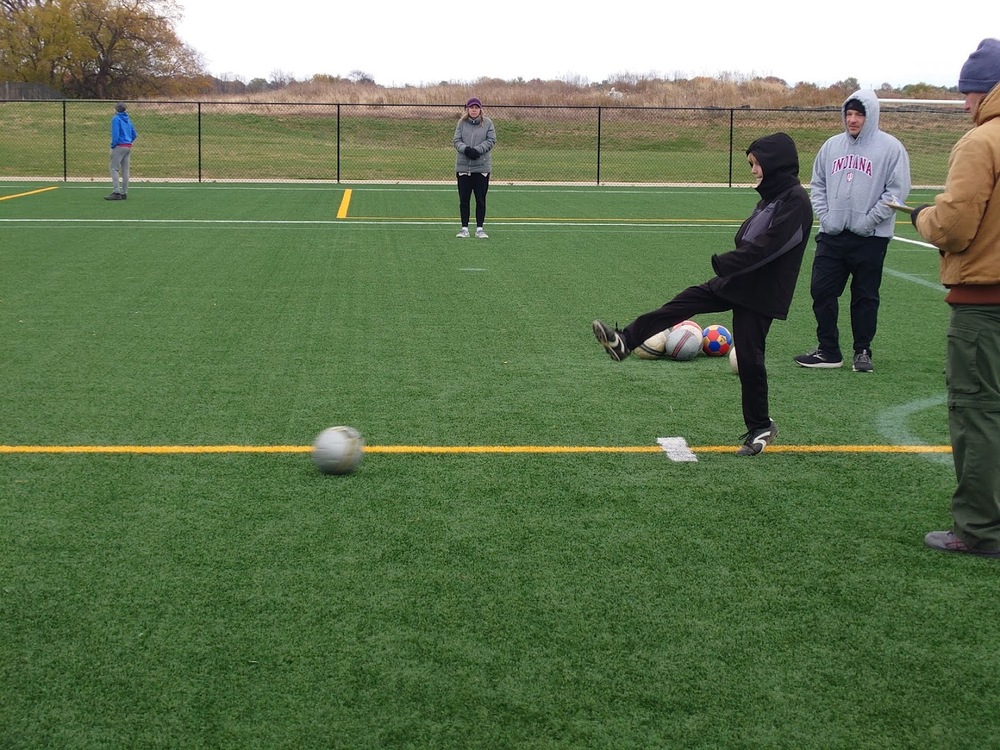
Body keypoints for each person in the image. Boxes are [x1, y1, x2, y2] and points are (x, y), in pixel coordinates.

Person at [592, 132, 814, 456]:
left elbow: (772, 246)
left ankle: (761, 426)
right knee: (682, 303)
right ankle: (625, 340)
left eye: (756, 164)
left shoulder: (796, 202)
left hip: (760, 292)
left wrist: (726, 262)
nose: (753, 170)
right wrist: (732, 266)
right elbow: (751, 237)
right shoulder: (772, 196)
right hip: (739, 281)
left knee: (750, 359)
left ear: (775, 164)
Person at [908, 39, 1000, 559]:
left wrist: (923, 215)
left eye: (969, 93)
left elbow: (955, 226)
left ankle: (980, 529)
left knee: (978, 413)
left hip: (985, 305)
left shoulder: (981, 142)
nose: (964, 104)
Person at [794, 90, 911, 372]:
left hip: (871, 237)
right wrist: (826, 216)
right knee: (821, 290)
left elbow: (896, 192)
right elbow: (817, 185)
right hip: (833, 234)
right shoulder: (831, 146)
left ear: (870, 116)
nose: (853, 120)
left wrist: (869, 221)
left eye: (859, 114)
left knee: (865, 296)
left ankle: (863, 351)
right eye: (849, 114)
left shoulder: (891, 148)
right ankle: (829, 351)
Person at [452, 97, 496, 238]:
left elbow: (491, 140)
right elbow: (456, 140)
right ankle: (464, 228)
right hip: (464, 168)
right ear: (467, 109)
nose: (474, 110)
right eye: (471, 107)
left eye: (476, 107)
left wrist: (477, 150)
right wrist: (466, 150)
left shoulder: (488, 123)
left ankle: (479, 229)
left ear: (480, 109)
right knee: (464, 200)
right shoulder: (462, 123)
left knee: (480, 199)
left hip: (481, 168)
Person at [106, 101, 137, 201]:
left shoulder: (116, 119)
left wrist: (113, 145)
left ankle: (116, 192)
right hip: (128, 146)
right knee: (125, 170)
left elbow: (116, 134)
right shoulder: (128, 119)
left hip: (119, 146)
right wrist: (128, 141)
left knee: (114, 168)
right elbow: (134, 134)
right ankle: (124, 192)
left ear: (116, 109)